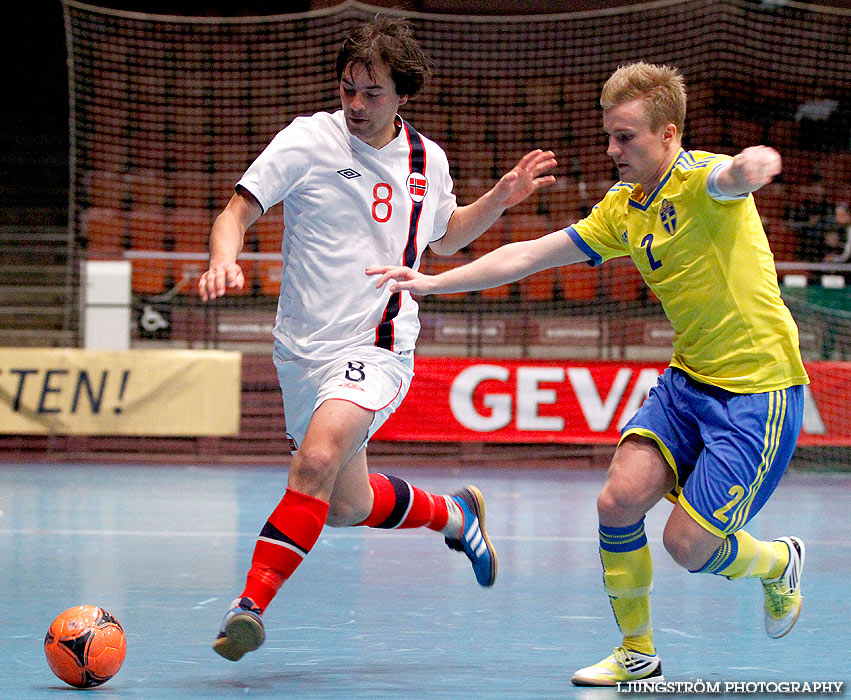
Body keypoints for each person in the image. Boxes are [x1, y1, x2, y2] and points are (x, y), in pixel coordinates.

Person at [369, 61, 809, 686]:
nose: (611, 150)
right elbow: (531, 253)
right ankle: (638, 654)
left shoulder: (699, 180)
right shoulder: (625, 208)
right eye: (609, 135)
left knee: (688, 546)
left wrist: (750, 166)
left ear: (668, 135)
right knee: (617, 501)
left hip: (758, 392)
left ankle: (777, 563)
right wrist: (436, 282)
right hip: (689, 380)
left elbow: (729, 178)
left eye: (626, 137)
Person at [197, 16, 557, 662]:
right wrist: (223, 257)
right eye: (348, 90)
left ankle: (247, 607)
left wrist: (498, 200)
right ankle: (454, 516)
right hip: (301, 352)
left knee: (313, 461)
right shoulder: (308, 139)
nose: (357, 105)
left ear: (403, 96)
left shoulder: (427, 160)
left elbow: (444, 238)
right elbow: (237, 211)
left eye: (372, 94)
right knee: (344, 503)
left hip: (378, 343)